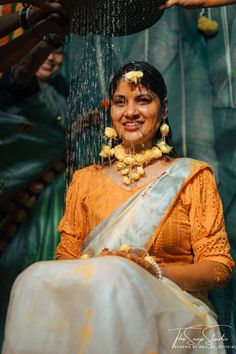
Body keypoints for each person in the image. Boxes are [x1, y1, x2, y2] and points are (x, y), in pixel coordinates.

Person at [2, 61, 234, 354]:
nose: (130, 112)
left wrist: (152, 271)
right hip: (93, 301)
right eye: (120, 102)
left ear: (164, 110)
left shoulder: (192, 176)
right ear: (109, 110)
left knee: (116, 274)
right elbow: (66, 260)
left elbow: (219, 268)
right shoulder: (85, 179)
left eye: (143, 100)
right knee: (31, 279)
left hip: (175, 310)